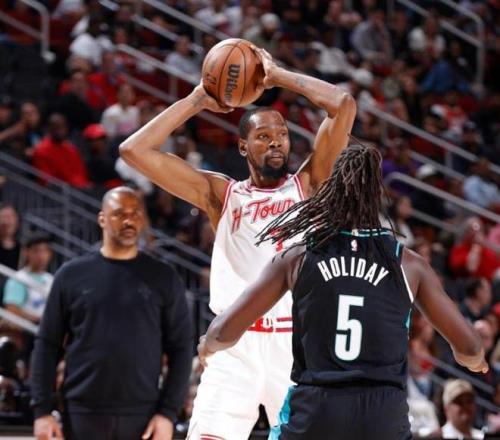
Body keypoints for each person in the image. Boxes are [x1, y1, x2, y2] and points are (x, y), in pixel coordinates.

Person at [120, 45, 356, 439]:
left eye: (282, 134)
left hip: (294, 344)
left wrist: (277, 76)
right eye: (263, 136)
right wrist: (198, 99)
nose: (276, 142)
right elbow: (133, 150)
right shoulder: (222, 195)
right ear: (243, 146)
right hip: (234, 345)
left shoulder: (309, 183)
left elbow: (343, 105)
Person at [198, 144, 488, 440]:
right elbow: (470, 349)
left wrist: (208, 344)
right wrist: (476, 361)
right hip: (382, 415)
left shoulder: (298, 256)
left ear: (330, 193)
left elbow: (223, 332)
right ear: (377, 197)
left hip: (318, 409)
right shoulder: (408, 263)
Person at [30, 186, 193, 440]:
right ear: (102, 219)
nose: (129, 220)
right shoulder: (71, 275)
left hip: (144, 417)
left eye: (135, 213)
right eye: (119, 213)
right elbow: (47, 345)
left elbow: (181, 348)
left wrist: (168, 413)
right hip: (81, 413)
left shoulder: (164, 277)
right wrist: (42, 410)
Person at [3, 234, 53, 325]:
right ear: (26, 252)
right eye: (36, 251)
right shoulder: (19, 278)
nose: (41, 256)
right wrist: (39, 320)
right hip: (29, 329)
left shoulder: (51, 279)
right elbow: (12, 309)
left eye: (44, 251)